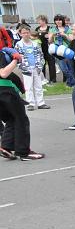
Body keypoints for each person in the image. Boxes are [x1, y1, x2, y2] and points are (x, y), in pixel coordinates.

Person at [0, 27, 44, 161]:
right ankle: (23, 152)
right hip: (4, 90)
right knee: (21, 118)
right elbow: (3, 73)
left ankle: (6, 146)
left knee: (11, 118)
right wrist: (15, 59)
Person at [15, 24, 48, 111]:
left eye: (27, 32)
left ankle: (41, 103)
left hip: (36, 68)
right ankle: (30, 103)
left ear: (30, 33)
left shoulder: (35, 44)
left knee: (38, 86)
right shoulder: (18, 44)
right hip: (26, 69)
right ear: (20, 34)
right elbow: (17, 58)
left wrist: (40, 66)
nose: (26, 34)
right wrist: (22, 67)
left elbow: (41, 55)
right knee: (28, 87)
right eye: (24, 33)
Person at [50, 14, 74, 86]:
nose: (58, 21)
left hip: (67, 50)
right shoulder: (52, 29)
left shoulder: (68, 29)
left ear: (62, 20)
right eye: (56, 20)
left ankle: (70, 83)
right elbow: (50, 41)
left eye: (60, 20)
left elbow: (72, 40)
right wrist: (52, 35)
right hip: (57, 51)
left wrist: (65, 35)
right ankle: (73, 81)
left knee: (70, 67)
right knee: (63, 69)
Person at [35, 15, 56, 84]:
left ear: (44, 20)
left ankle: (53, 80)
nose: (38, 22)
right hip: (40, 50)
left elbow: (54, 38)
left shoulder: (50, 28)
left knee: (51, 64)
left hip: (49, 49)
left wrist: (50, 36)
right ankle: (43, 79)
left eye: (39, 20)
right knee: (42, 65)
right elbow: (34, 37)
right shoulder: (37, 29)